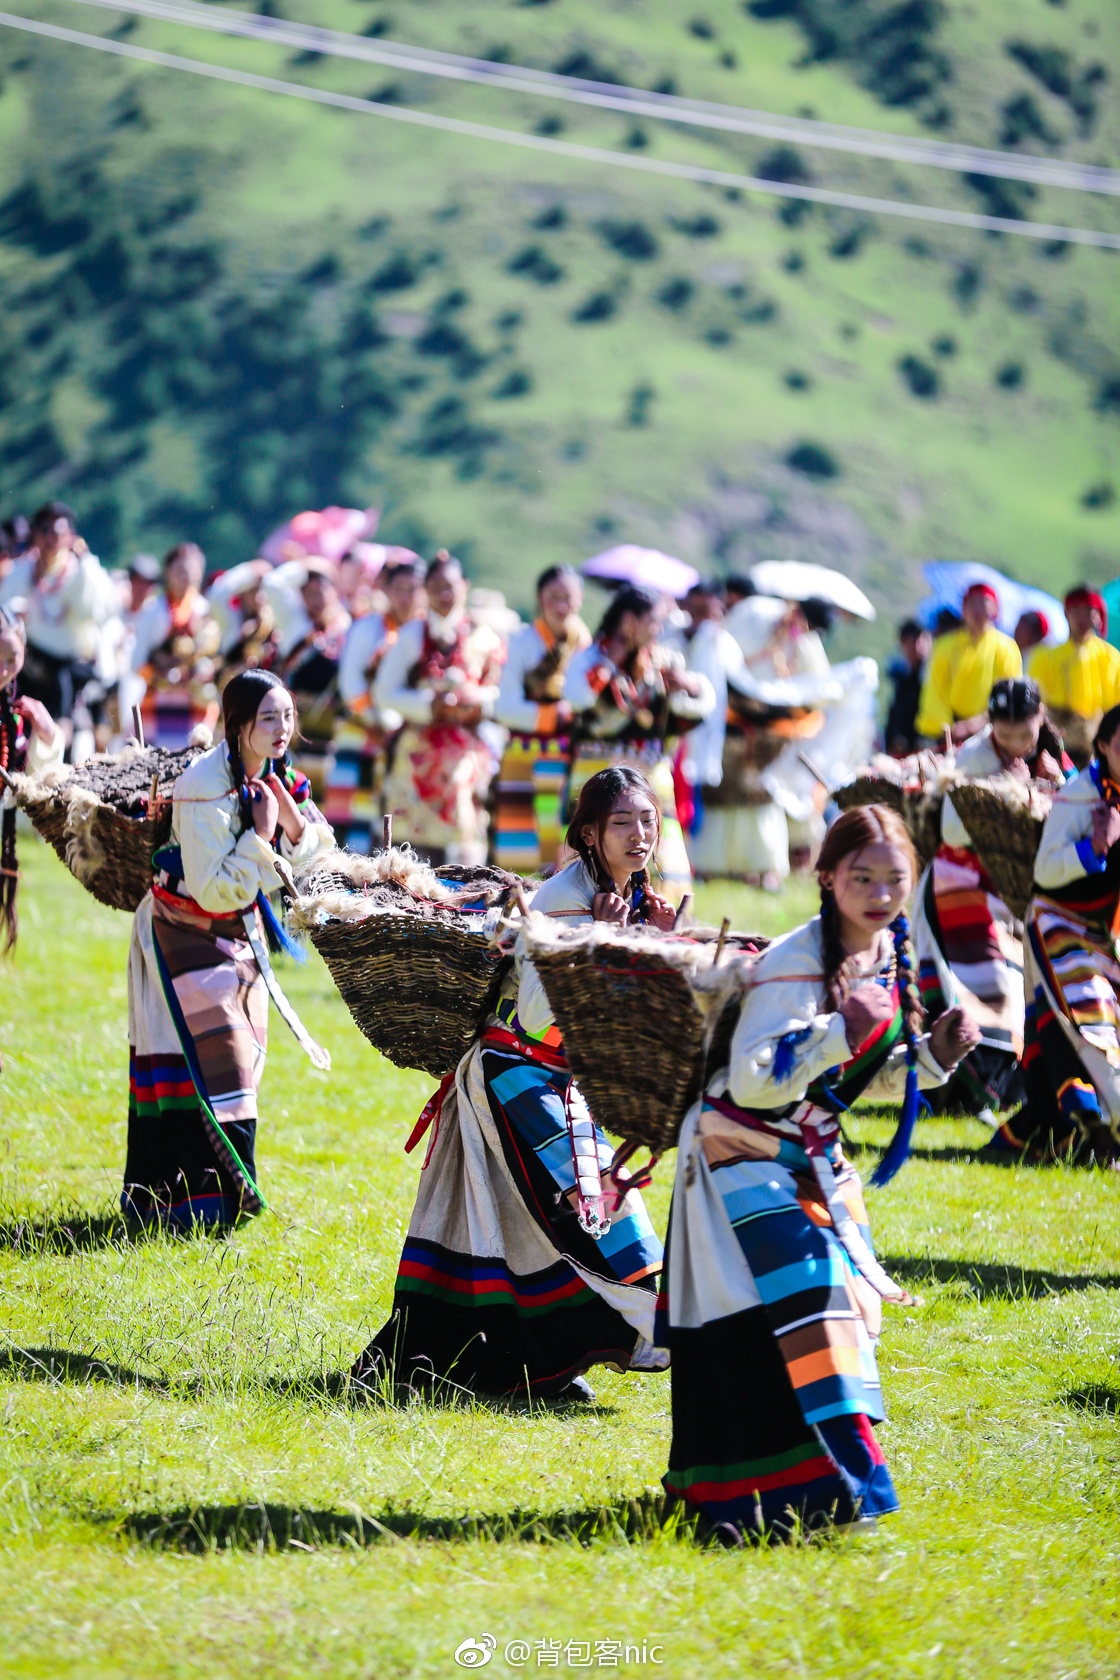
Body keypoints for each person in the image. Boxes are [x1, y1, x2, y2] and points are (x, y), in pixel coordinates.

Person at [660, 805, 979, 1539]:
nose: (879, 891)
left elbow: (849, 1078)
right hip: (734, 1155)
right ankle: (810, 1497)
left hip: (800, 1157)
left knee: (835, 1318)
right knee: (805, 1315)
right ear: (827, 878)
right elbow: (753, 1080)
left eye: (894, 878)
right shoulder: (796, 961)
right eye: (861, 877)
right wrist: (842, 1029)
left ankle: (809, 1498)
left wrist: (933, 1056)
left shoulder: (885, 951)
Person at [351, 766, 670, 1402]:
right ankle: (488, 1367)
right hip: (516, 1079)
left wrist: (644, 941)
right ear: (587, 834)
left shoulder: (626, 895)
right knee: (602, 1231)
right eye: (623, 823)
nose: (641, 834)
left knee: (526, 1236)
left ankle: (532, 1370)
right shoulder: (562, 902)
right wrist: (606, 939)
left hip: (561, 1083)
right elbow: (540, 1012)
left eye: (649, 820)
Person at [122, 670, 334, 1231]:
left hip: (239, 934)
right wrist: (262, 839)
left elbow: (318, 849)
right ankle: (187, 1205)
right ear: (238, 725)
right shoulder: (203, 785)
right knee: (211, 1061)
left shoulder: (281, 776)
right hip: (181, 929)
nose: (283, 726)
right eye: (269, 717)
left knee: (244, 1062)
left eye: (288, 715)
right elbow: (214, 886)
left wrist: (290, 827)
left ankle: (218, 1206)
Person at [913, 678, 1070, 1120]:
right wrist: (1014, 790)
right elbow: (953, 830)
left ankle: (999, 1089)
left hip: (1014, 892)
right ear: (992, 725)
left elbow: (1072, 794)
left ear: (1040, 719)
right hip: (959, 884)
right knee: (988, 986)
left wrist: (1054, 784)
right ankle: (969, 1090)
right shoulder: (975, 757)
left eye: (1026, 732)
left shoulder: (1050, 748)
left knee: (1020, 988)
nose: (1018, 743)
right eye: (1007, 734)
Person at [990, 703, 1120, 1165]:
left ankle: (1072, 1129)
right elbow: (1045, 869)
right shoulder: (1081, 796)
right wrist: (1094, 847)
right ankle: (1097, 1131)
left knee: (1101, 1021)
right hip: (1056, 922)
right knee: (1082, 1019)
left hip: (1100, 930)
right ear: (1103, 746)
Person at [563, 585, 713, 899]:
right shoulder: (590, 658)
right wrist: (607, 665)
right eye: (654, 622)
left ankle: (661, 927)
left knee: (662, 860)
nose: (659, 630)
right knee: (593, 856)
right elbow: (576, 698)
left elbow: (701, 706)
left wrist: (688, 685)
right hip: (594, 777)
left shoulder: (663, 662)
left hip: (652, 780)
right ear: (629, 621)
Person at [375, 551, 503, 867]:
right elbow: (384, 691)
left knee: (464, 835)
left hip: (464, 752)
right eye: (435, 586)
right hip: (417, 748)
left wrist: (475, 699)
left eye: (450, 586)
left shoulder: (483, 636)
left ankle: (467, 906)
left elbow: (499, 694)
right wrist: (428, 704)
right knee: (409, 842)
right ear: (425, 590)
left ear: (465, 587)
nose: (444, 594)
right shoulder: (411, 635)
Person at [0, 501, 120, 756]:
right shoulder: (24, 571)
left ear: (71, 536)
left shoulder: (83, 572)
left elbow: (105, 610)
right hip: (33, 665)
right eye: (45, 530)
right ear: (35, 534)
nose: (51, 538)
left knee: (64, 695)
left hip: (72, 669)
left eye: (58, 532)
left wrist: (87, 563)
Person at [492, 564, 591, 873]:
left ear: (581, 600)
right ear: (540, 598)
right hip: (524, 755)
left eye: (568, 597)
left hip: (570, 758)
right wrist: (554, 714)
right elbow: (503, 706)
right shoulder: (521, 642)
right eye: (553, 596)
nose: (561, 605)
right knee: (519, 847)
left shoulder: (588, 646)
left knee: (565, 840)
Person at [324, 555, 425, 852]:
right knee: (352, 813)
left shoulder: (424, 633)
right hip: (361, 730)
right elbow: (350, 683)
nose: (406, 597)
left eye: (414, 589)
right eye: (400, 589)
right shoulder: (368, 628)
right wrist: (379, 718)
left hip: (409, 738)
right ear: (388, 591)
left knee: (398, 814)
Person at [0, 605, 65, 956]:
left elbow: (31, 817)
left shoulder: (14, 714)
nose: (3, 669)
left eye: (12, 657)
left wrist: (49, 738)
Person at [272, 560, 352, 799]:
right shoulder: (294, 623)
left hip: (331, 720)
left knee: (328, 788)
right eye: (310, 593)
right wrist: (306, 564)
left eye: (321, 592)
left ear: (333, 593)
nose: (316, 599)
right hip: (297, 718)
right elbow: (272, 585)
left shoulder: (346, 625)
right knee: (293, 784)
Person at [130, 543, 221, 750]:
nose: (185, 575)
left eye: (191, 569)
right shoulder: (153, 610)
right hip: (159, 698)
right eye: (179, 569)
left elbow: (216, 656)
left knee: (195, 756)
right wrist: (161, 675)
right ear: (168, 572)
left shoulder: (206, 610)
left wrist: (202, 673)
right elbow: (137, 662)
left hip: (196, 699)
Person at [915, 582, 1021, 746]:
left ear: (995, 609)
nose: (978, 609)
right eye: (972, 603)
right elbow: (934, 690)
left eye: (984, 603)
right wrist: (948, 728)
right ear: (963, 609)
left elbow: (1009, 694)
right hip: (947, 731)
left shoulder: (1007, 648)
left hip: (990, 729)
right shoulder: (944, 645)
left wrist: (980, 723)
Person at [1030, 586, 1120, 769]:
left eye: (1089, 611)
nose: (1082, 617)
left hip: (1096, 745)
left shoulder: (1112, 658)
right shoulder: (1045, 657)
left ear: (1098, 615)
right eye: (1076, 610)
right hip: (1054, 741)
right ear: (1066, 612)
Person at [884, 619, 931, 756]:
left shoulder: (931, 675)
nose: (918, 647)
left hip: (925, 746)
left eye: (921, 640)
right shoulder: (900, 674)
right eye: (912, 642)